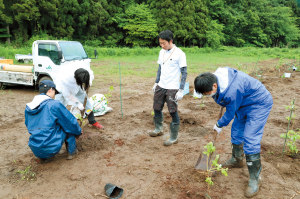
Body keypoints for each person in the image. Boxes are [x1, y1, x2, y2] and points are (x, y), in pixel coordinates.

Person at [194, 67, 273, 198]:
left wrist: (219, 124)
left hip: (259, 103)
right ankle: (237, 160)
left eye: (207, 93)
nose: (206, 95)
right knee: (236, 133)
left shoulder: (232, 90)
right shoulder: (216, 78)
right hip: (242, 103)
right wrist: (219, 96)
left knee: (250, 138)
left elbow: (230, 113)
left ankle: (255, 178)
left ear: (214, 85)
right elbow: (226, 99)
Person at [25, 80, 82, 163]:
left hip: (35, 147)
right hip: (52, 148)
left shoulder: (29, 107)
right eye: (54, 92)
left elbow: (29, 126)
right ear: (50, 90)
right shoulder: (54, 104)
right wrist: (79, 131)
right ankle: (72, 152)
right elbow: (70, 122)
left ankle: (41, 157)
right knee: (68, 125)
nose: (55, 95)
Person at [150, 30, 187, 146]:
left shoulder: (180, 54)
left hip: (173, 87)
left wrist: (181, 89)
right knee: (156, 108)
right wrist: (156, 82)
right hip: (161, 85)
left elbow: (184, 72)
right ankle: (158, 129)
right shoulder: (161, 52)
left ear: (171, 41)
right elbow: (160, 68)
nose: (162, 45)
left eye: (164, 43)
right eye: (160, 43)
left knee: (172, 111)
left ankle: (173, 137)